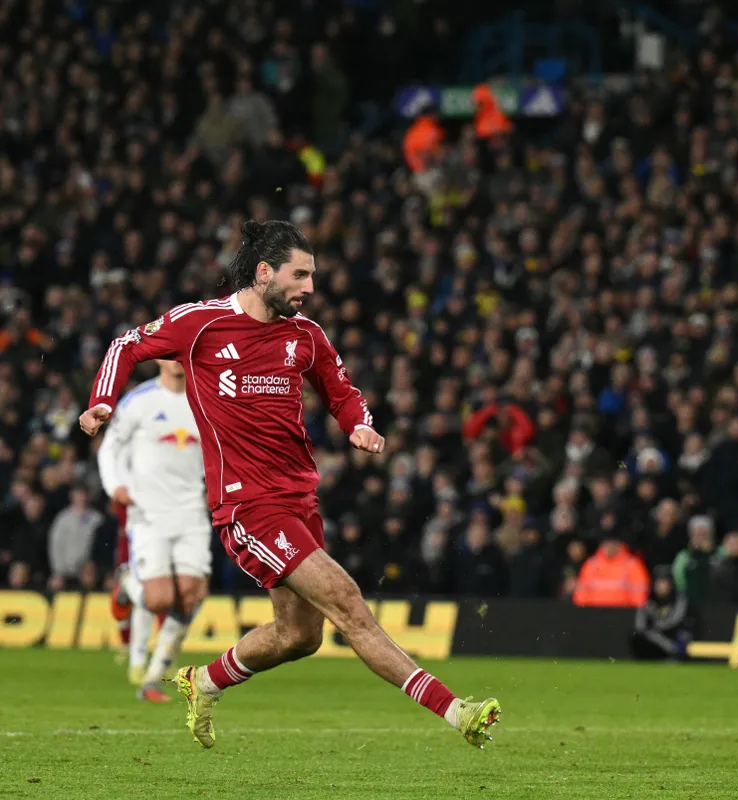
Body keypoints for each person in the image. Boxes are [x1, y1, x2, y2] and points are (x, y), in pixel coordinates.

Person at [79, 220, 500, 750]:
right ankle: (456, 710)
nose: (310, 288)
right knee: (347, 602)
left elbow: (342, 390)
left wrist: (359, 424)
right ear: (263, 273)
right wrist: (103, 399)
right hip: (247, 506)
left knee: (300, 636)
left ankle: (203, 680)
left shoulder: (306, 335)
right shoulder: (201, 324)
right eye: (300, 275)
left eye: (312, 276)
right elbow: (126, 346)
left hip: (300, 499)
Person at [97, 359, 209, 702]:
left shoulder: (206, 399)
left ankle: (153, 677)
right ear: (159, 359)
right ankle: (129, 584)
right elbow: (109, 448)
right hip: (149, 511)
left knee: (191, 595)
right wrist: (115, 486)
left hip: (192, 509)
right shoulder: (139, 401)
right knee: (159, 598)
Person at [630, 567, 693, 661]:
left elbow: (675, 621)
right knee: (637, 637)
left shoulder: (679, 601)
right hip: (655, 640)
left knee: (683, 635)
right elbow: (640, 626)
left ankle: (676, 658)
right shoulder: (648, 602)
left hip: (673, 636)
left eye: (664, 583)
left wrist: (655, 627)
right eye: (658, 583)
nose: (660, 586)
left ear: (671, 584)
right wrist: (652, 632)